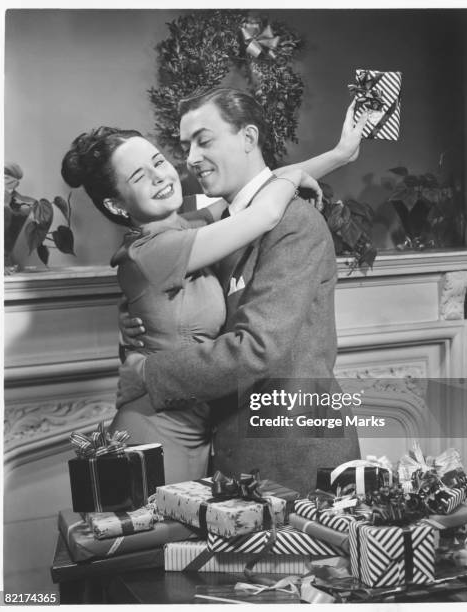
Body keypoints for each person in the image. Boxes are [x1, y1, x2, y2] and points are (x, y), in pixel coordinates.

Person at [119, 88, 368, 493]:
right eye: (186, 146)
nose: (191, 159)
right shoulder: (216, 227)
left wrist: (149, 373)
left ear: (249, 138)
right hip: (230, 453)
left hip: (294, 455)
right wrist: (135, 322)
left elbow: (257, 348)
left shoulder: (295, 223)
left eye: (204, 140)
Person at [61, 125, 324, 483]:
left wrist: (339, 154)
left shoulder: (191, 226)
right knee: (156, 537)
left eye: (159, 161)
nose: (160, 177)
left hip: (199, 429)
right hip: (156, 429)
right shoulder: (149, 252)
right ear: (115, 203)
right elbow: (264, 213)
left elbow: (258, 190)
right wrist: (293, 176)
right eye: (139, 176)